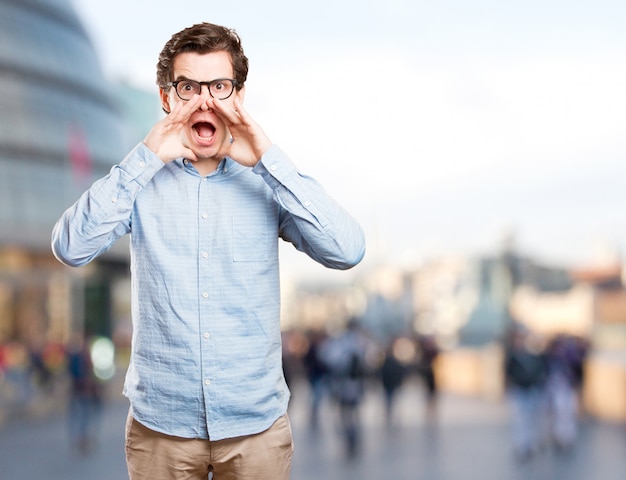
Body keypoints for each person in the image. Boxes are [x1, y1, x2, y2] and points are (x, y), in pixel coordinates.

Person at [51, 22, 365, 480]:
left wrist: (268, 159)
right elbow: (70, 247)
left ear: (238, 96)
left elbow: (347, 249)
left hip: (256, 430)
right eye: (187, 87)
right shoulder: (139, 183)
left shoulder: (267, 183)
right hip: (160, 430)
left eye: (218, 86)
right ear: (166, 98)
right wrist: (146, 157)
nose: (204, 101)